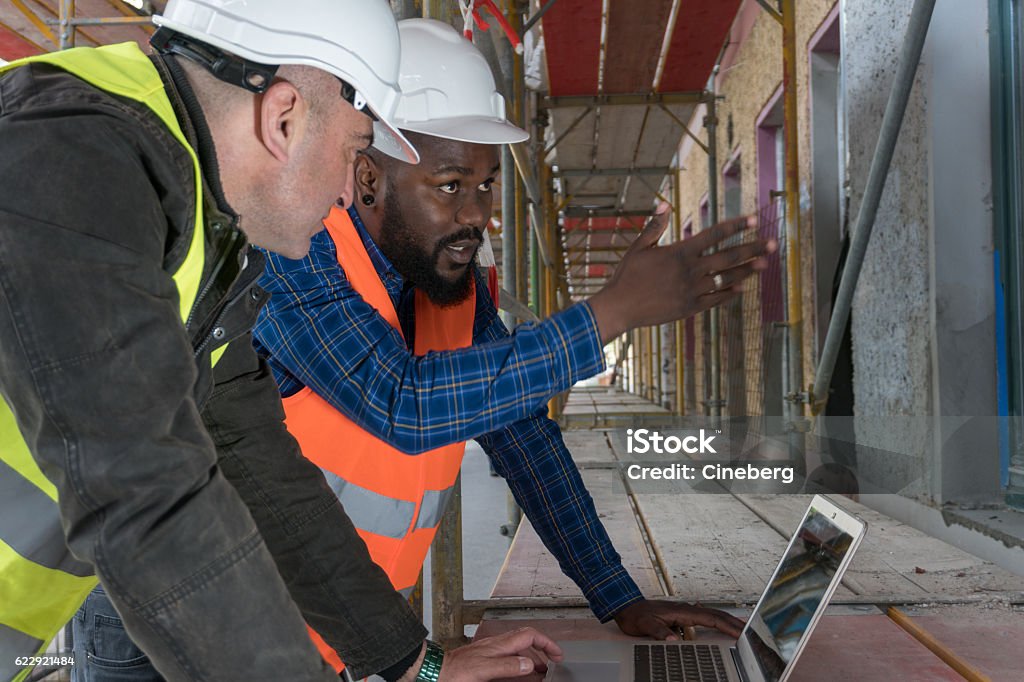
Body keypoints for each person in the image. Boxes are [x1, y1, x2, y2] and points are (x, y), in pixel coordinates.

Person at [0, 2, 560, 681]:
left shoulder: (199, 225)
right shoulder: (69, 165)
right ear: (284, 118)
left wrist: (416, 662)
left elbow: (251, 456)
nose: (350, 195)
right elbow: (146, 497)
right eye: (356, 149)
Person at [253, 19, 773, 670]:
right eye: (450, 186)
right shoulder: (290, 255)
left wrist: (616, 596)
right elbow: (400, 403)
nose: (476, 214)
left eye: (487, 184)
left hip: (356, 655)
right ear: (366, 178)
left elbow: (527, 443)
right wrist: (608, 315)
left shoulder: (456, 292)